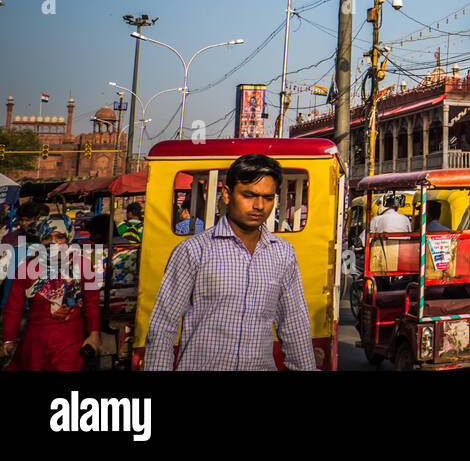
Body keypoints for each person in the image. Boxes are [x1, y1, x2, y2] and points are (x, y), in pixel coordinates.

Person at [143, 154, 315, 371]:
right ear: (226, 194)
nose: (259, 206)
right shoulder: (194, 251)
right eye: (249, 195)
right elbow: (162, 326)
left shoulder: (282, 253)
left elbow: (294, 324)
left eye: (268, 197)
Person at [2, 217, 102, 370]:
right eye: (47, 237)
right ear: (41, 240)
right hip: (36, 343)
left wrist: (94, 334)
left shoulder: (83, 265)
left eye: (59, 236)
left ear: (68, 238)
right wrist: (8, 340)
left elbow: (92, 303)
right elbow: (13, 308)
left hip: (70, 341)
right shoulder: (26, 268)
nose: (53, 242)